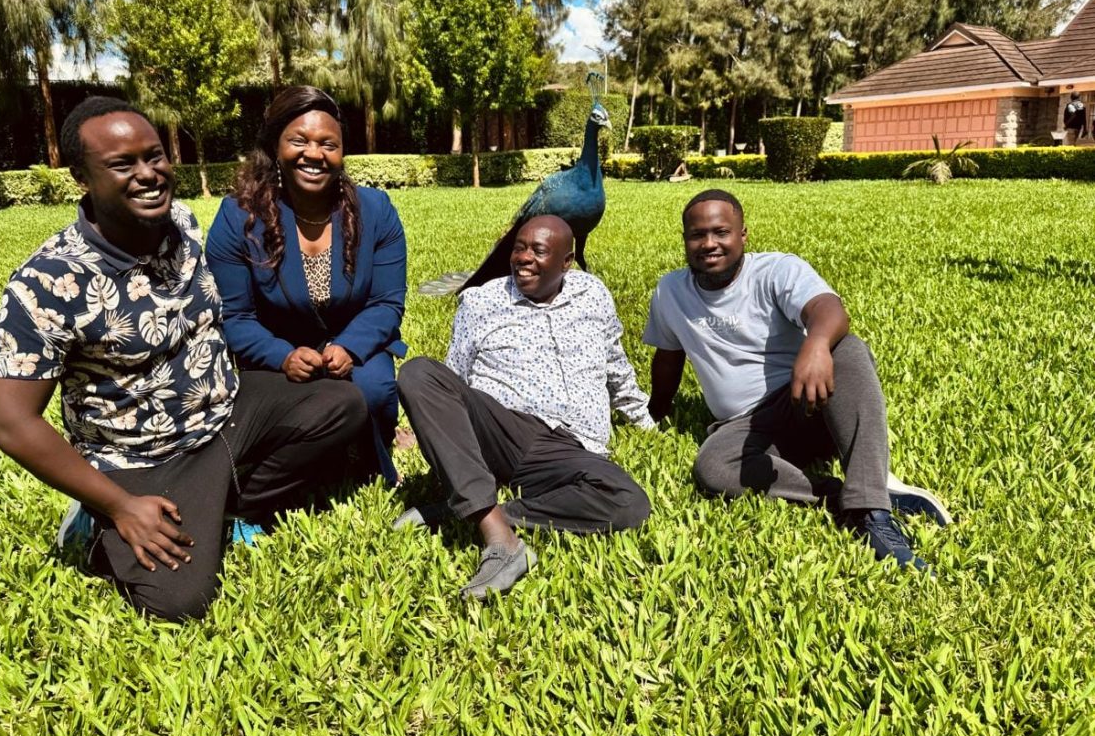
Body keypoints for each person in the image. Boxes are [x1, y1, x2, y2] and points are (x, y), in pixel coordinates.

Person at [0, 97, 368, 621]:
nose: (148, 174)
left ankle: (229, 501)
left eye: (155, 156)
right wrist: (120, 505)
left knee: (342, 403)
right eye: (122, 164)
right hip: (141, 456)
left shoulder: (183, 224)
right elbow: (10, 423)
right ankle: (95, 519)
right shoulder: (49, 282)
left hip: (226, 416)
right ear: (81, 177)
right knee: (179, 601)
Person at [644, 190, 949, 570]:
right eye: (697, 235)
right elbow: (669, 358)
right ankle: (850, 494)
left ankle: (872, 513)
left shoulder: (775, 270)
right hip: (746, 426)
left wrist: (816, 345)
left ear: (743, 235)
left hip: (809, 403)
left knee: (847, 349)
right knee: (713, 467)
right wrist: (655, 410)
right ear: (685, 239)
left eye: (721, 232)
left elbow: (828, 309)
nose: (709, 243)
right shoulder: (670, 291)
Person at [395, 215, 654, 600]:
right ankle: (501, 542)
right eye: (519, 248)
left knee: (628, 501)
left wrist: (643, 419)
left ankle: (476, 510)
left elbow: (615, 362)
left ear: (567, 262)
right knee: (418, 372)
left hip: (572, 446)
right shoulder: (481, 300)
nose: (524, 258)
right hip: (503, 431)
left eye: (538, 250)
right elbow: (453, 377)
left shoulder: (592, 293)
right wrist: (429, 431)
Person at [205, 86, 407, 486]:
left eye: (328, 144)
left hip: (352, 344)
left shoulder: (375, 210)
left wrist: (348, 347)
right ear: (275, 146)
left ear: (342, 152)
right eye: (299, 141)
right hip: (277, 350)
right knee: (297, 408)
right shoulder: (238, 217)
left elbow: (386, 301)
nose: (314, 153)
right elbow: (234, 315)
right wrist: (282, 356)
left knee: (375, 389)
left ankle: (370, 459)